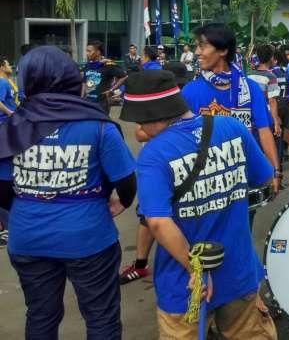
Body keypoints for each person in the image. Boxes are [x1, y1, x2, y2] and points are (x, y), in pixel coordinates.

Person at [119, 70, 277, 340]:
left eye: (140, 121)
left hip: (186, 284)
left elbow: (157, 222)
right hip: (238, 272)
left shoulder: (153, 156)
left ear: (151, 115)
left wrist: (196, 269)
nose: (140, 130)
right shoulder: (232, 127)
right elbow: (263, 176)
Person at [0, 46, 136, 339]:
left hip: (27, 236)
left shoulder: (13, 126)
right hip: (88, 235)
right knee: (101, 318)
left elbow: (1, 189)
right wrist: (119, 203)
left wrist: (31, 203)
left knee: (40, 315)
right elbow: (126, 181)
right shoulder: (98, 126)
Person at [182, 23, 281, 211]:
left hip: (245, 178)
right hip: (206, 183)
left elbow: (264, 132)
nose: (196, 52)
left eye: (202, 46)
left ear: (223, 50)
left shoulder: (250, 88)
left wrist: (275, 172)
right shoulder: (190, 91)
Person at [119, 61, 193, 285]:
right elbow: (141, 134)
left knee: (166, 217)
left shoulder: (183, 102)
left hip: (179, 166)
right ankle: (141, 263)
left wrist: (196, 273)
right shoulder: (152, 153)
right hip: (158, 169)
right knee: (149, 217)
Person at [82, 40, 128, 114]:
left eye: (89, 51)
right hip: (87, 102)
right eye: (86, 51)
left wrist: (111, 90)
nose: (87, 53)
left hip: (101, 104)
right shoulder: (88, 65)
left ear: (98, 52)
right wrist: (82, 98)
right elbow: (84, 82)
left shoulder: (108, 64)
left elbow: (124, 76)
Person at [0, 56, 17, 121]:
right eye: (8, 65)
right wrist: (9, 112)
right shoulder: (2, 82)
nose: (10, 67)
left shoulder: (6, 81)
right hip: (4, 120)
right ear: (2, 68)